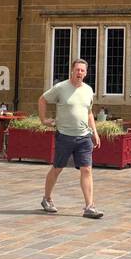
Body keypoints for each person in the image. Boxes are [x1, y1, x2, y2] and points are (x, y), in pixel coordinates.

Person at [38, 58, 103, 219]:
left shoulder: (88, 90)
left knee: (86, 169)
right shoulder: (61, 88)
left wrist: (94, 132)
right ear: (72, 71)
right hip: (64, 136)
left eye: (82, 70)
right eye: (77, 70)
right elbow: (42, 100)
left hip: (84, 137)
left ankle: (89, 206)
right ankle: (47, 199)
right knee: (57, 168)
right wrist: (43, 120)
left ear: (86, 73)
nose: (79, 72)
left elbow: (88, 112)